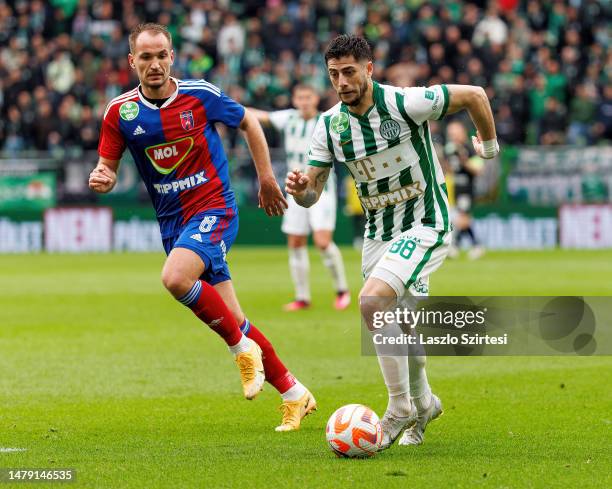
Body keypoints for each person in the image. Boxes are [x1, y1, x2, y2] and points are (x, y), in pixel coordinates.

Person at [89, 23, 316, 432]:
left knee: (176, 279)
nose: (155, 64)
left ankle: (240, 351)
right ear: (132, 62)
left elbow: (249, 122)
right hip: (174, 223)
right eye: (146, 57)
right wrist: (103, 176)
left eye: (162, 55)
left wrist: (266, 177)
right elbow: (107, 165)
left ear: (172, 56)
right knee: (235, 317)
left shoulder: (200, 94)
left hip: (214, 208)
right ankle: (294, 393)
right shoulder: (120, 112)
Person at [286, 35, 498, 448]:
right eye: (334, 74)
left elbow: (474, 94)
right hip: (379, 236)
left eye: (349, 72)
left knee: (371, 301)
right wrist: (300, 191)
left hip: (426, 224)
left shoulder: (404, 103)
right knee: (404, 327)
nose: (342, 82)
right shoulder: (329, 125)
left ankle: (399, 408)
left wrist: (488, 149)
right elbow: (312, 194)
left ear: (368, 68)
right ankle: (425, 406)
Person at [250, 85, 351, 311]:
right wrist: (227, 107)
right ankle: (302, 297)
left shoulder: (327, 120)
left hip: (320, 188)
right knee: (296, 242)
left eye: (308, 97)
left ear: (316, 98)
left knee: (323, 242)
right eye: (300, 97)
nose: (304, 101)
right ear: (295, 100)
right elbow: (259, 116)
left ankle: (342, 290)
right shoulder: (288, 119)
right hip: (294, 188)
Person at [444, 121, 485, 260]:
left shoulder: (470, 148)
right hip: (454, 189)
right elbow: (449, 169)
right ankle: (473, 245)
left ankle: (457, 245)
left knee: (462, 218)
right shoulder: (449, 149)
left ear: (462, 133)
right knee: (461, 219)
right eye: (451, 134)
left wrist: (464, 160)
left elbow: (478, 169)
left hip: (467, 189)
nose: (453, 137)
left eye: (455, 133)